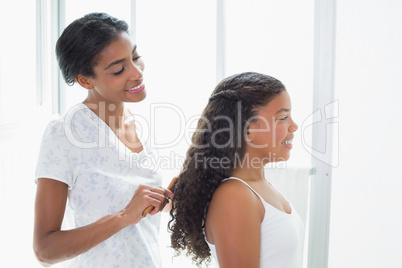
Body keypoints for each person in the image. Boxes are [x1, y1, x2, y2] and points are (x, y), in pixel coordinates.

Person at [33, 12, 173, 267]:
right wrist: (123, 216)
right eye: (119, 69)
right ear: (85, 80)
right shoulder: (64, 134)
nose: (137, 72)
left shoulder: (141, 126)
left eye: (136, 57)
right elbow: (45, 249)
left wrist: (168, 201)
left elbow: (141, 214)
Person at [169, 72, 305, 267]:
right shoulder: (235, 196)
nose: (294, 126)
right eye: (283, 117)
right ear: (248, 130)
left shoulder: (259, 187)